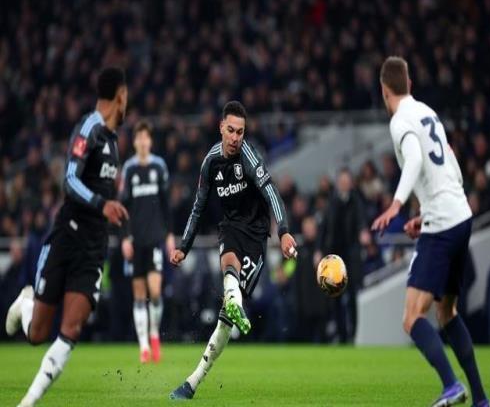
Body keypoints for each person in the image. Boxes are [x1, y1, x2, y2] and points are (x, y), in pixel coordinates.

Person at [5, 67, 129, 407]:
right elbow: (70, 180)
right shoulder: (90, 128)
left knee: (71, 329)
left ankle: (27, 403)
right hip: (67, 237)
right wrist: (102, 204)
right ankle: (27, 303)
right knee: (37, 334)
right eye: (126, 96)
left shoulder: (114, 142)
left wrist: (114, 211)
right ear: (120, 95)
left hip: (93, 248)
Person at [372, 57, 490, 407]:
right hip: (460, 217)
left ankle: (452, 386)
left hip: (441, 226)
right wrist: (422, 214)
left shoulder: (400, 120)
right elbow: (452, 167)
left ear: (384, 90)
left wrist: (396, 205)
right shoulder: (427, 112)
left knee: (412, 318)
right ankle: (481, 399)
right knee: (447, 313)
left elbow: (415, 160)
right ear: (409, 84)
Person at [169, 100, 297, 400]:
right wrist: (184, 246)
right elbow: (198, 207)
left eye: (240, 132)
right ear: (221, 128)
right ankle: (233, 302)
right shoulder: (210, 162)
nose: (236, 137)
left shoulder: (250, 157)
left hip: (256, 236)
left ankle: (193, 380)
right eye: (231, 130)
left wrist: (284, 231)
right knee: (228, 263)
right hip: (230, 228)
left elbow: (271, 192)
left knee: (224, 324)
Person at [120, 119, 175, 363]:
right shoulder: (129, 169)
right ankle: (143, 346)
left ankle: (154, 335)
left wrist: (169, 234)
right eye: (139, 137)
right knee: (139, 294)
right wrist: (124, 238)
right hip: (136, 240)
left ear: (150, 141)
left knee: (155, 291)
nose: (143, 142)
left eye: (146, 137)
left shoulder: (159, 167)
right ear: (134, 142)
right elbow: (122, 208)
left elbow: (166, 205)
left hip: (154, 239)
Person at [315, 168, 370, 343]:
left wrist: (363, 231)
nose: (344, 184)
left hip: (351, 253)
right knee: (335, 296)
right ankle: (342, 335)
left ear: (351, 183)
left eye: (347, 181)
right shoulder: (332, 202)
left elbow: (362, 219)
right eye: (342, 181)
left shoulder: (356, 200)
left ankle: (353, 334)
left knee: (352, 295)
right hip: (335, 254)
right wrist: (319, 249)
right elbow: (324, 228)